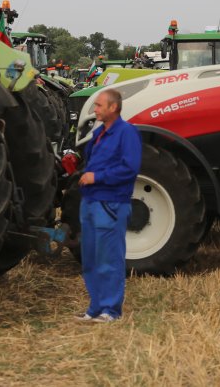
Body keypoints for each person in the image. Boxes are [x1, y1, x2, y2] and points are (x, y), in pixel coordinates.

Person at [77, 89, 141, 322]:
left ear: (113, 108)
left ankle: (111, 310)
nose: (95, 110)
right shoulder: (99, 134)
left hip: (111, 204)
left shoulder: (127, 133)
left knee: (109, 260)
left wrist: (97, 177)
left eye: (99, 106)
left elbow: (129, 168)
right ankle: (95, 308)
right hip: (91, 202)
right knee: (91, 259)